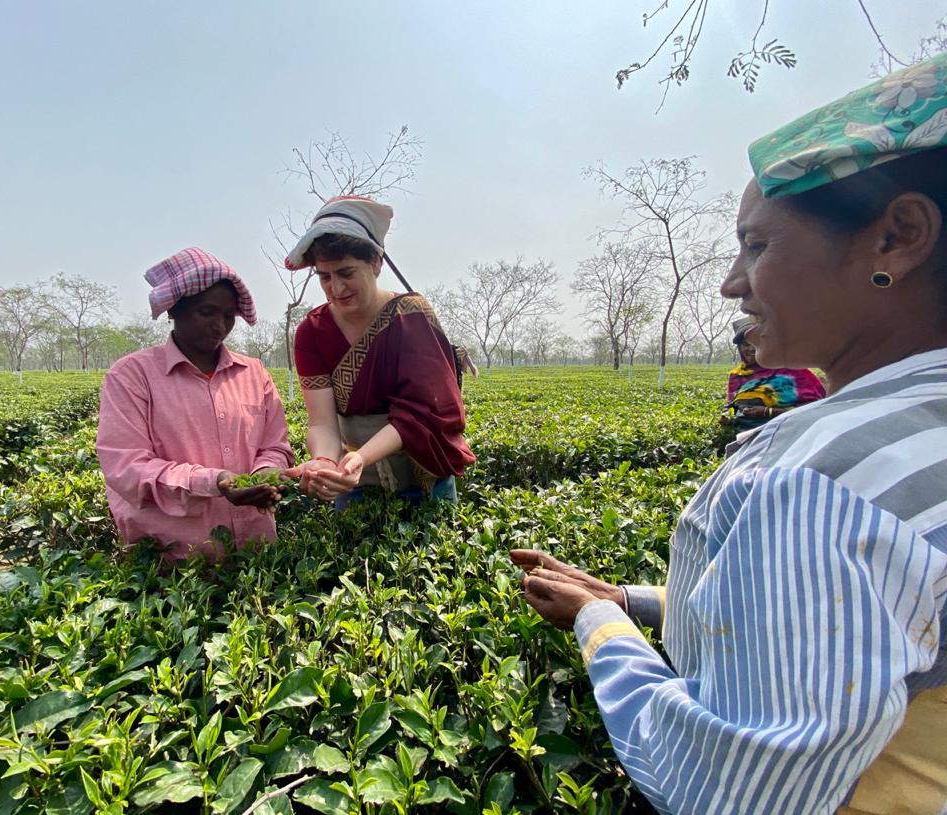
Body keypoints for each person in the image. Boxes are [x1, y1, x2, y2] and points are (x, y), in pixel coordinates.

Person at [514, 52, 947, 815]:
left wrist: (600, 622)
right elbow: (887, 633)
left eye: (757, 245)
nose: (731, 281)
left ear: (898, 236)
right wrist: (635, 596)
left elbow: (721, 782)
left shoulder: (816, 481)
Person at [96, 247, 294, 563]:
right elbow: (126, 467)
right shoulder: (132, 376)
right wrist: (213, 482)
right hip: (173, 565)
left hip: (257, 558)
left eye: (229, 316)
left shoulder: (254, 373)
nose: (219, 325)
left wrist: (265, 476)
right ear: (174, 310)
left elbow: (275, 446)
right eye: (207, 312)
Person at [284, 196, 475, 506]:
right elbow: (322, 423)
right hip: (355, 482)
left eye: (346, 273)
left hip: (421, 473)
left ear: (376, 263)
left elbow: (419, 412)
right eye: (324, 277)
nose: (336, 288)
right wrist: (325, 462)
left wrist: (361, 456)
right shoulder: (311, 333)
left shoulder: (410, 317)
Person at [720, 315, 826, 431]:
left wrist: (769, 412)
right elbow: (731, 407)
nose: (751, 349)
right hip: (746, 441)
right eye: (746, 344)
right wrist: (727, 417)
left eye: (757, 342)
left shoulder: (793, 371)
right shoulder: (737, 376)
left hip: (788, 436)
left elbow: (814, 409)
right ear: (740, 348)